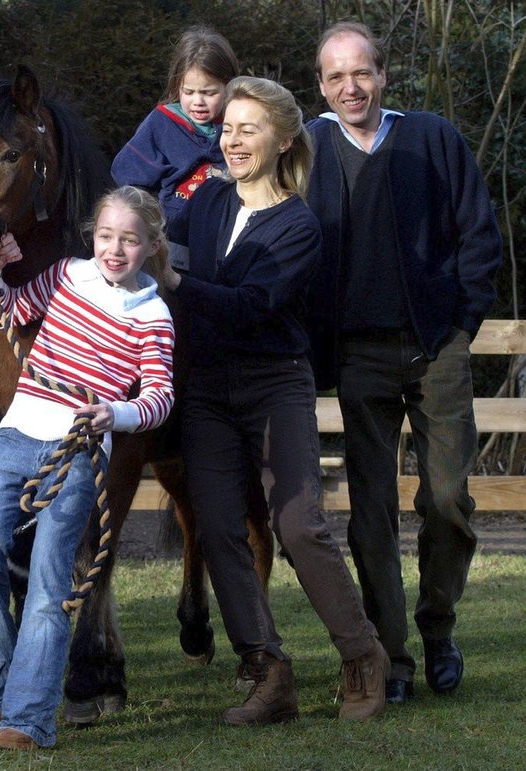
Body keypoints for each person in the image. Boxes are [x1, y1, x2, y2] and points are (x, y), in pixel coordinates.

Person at [165, 76, 389, 724]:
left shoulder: (299, 224)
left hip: (274, 383)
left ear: (284, 138)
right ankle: (269, 672)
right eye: (227, 128)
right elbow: (148, 237)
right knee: (216, 528)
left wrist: (175, 276)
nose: (232, 139)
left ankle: (361, 654)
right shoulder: (204, 202)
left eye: (248, 128)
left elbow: (250, 305)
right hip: (206, 388)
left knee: (296, 524)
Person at [306, 22, 502, 703]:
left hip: (435, 345)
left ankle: (438, 626)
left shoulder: (434, 138)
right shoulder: (307, 147)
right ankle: (392, 654)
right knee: (371, 513)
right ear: (322, 85)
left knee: (447, 498)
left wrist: (463, 321)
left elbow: (478, 232)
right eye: (336, 77)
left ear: (384, 75)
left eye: (361, 72)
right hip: (358, 353)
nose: (350, 87)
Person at [0, 186, 176, 750]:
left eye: (129, 240)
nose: (114, 250)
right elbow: (9, 313)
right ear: (92, 237)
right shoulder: (64, 276)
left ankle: (28, 718)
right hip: (17, 435)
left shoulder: (152, 315)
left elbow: (160, 397)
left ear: (152, 245)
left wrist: (116, 413)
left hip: (79, 451)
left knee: (51, 581)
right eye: (106, 237)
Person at [111, 24, 238, 266]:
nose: (198, 102)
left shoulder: (236, 124)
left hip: (226, 241)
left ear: (229, 87)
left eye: (209, 93)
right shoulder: (162, 124)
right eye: (188, 92)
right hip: (174, 245)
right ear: (177, 86)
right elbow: (128, 177)